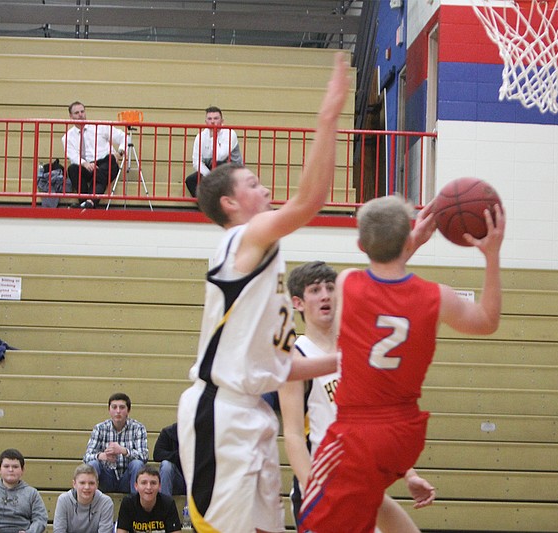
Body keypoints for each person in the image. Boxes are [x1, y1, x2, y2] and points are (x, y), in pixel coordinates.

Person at [176, 53, 350, 533]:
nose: (265, 185)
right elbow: (310, 202)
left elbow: (278, 368)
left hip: (252, 412)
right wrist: (328, 118)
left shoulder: (264, 260)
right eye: (253, 182)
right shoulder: (242, 239)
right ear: (230, 203)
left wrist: (349, 357)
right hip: (222, 411)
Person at [299, 194, 505, 532]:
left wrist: (413, 241)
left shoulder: (348, 283)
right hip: (405, 434)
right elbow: (487, 321)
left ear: (361, 244)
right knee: (370, 509)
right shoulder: (438, 297)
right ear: (406, 238)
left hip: (358, 432)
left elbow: (383, 271)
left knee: (315, 523)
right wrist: (492, 256)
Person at [279, 261, 436, 533]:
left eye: (330, 287)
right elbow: (292, 435)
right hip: (323, 483)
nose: (326, 294)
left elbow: (380, 422)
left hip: (363, 480)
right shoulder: (298, 357)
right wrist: (314, 490)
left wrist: (409, 474)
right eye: (315, 290)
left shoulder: (359, 348)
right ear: (298, 303)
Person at [62, 101, 126, 208]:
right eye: (77, 113)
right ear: (71, 116)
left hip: (105, 162)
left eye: (82, 111)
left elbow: (124, 137)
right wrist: (85, 164)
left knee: (107, 163)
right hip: (87, 166)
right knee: (72, 169)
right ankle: (86, 202)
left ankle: (89, 202)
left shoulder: (100, 127)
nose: (80, 115)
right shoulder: (67, 137)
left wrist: (119, 152)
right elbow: (73, 156)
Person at [83, 392, 148, 494]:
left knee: (137, 464)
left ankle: (135, 504)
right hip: (107, 477)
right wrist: (101, 456)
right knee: (93, 464)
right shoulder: (100, 428)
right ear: (109, 410)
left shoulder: (138, 428)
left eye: (122, 407)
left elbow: (144, 457)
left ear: (128, 411)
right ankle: (91, 504)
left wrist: (124, 451)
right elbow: (86, 457)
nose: (118, 411)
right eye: (114, 407)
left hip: (128, 477)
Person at [185, 106, 243, 197]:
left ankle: (220, 207)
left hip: (232, 168)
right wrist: (209, 175)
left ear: (222, 121)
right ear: (205, 122)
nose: (212, 121)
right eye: (209, 118)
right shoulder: (201, 136)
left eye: (216, 118)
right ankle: (206, 207)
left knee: (217, 164)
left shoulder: (230, 133)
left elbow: (220, 156)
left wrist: (213, 137)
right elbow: (196, 161)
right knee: (191, 180)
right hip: (211, 170)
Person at [115, 465, 181, 533]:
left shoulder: (169, 503)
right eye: (144, 483)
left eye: (153, 483)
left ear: (159, 486)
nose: (149, 487)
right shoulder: (128, 503)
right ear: (136, 486)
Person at [53, 464, 115, 533]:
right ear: (74, 484)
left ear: (97, 484)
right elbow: (59, 530)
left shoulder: (105, 502)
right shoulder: (63, 500)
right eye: (82, 483)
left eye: (91, 483)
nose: (87, 487)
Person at [152, 423, 186, 497]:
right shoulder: (168, 432)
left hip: (196, 480)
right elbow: (157, 454)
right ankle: (164, 505)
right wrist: (180, 455)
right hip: (177, 479)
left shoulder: (201, 433)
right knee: (166, 465)